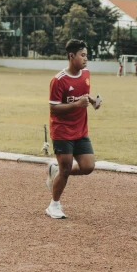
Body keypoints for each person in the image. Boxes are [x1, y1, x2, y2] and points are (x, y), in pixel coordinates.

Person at [44, 40, 103, 219]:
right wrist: (77, 104)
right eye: (82, 55)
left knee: (88, 166)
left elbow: (81, 95)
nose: (86, 59)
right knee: (66, 168)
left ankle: (55, 170)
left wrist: (91, 100)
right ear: (72, 56)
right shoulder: (58, 80)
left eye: (86, 55)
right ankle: (53, 205)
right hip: (62, 131)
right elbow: (54, 108)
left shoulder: (86, 74)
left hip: (80, 130)